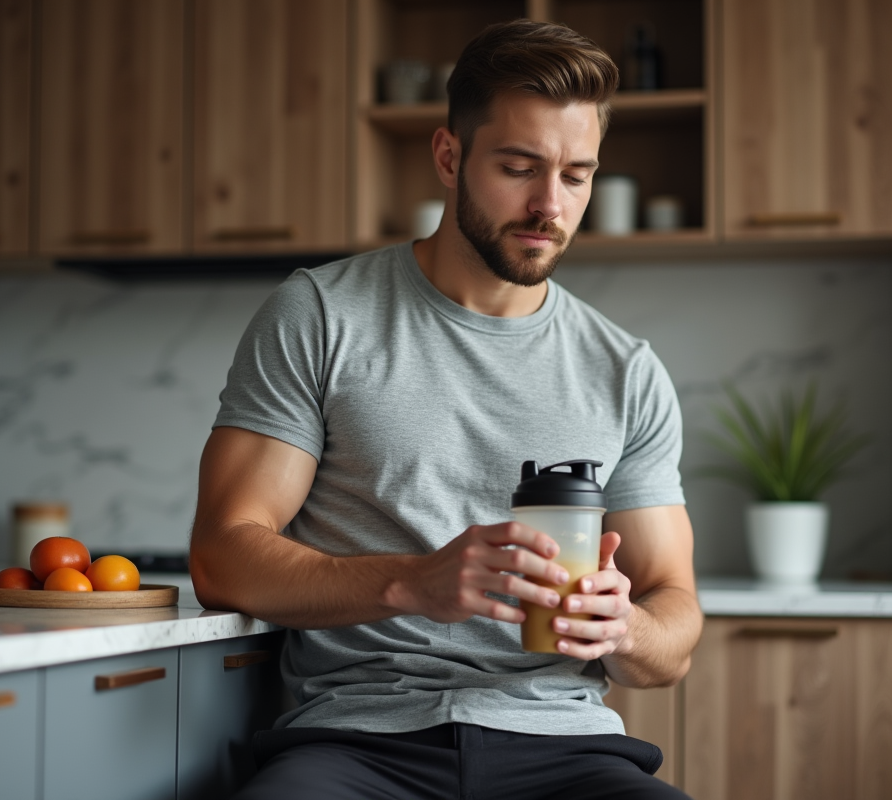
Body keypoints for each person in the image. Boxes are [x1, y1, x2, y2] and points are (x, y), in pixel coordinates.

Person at [190, 18, 702, 800]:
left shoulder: (624, 370)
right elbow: (222, 556)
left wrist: (625, 629)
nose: (548, 205)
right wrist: (412, 583)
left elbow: (675, 617)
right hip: (356, 743)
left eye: (575, 175)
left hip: (564, 750)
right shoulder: (321, 315)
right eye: (519, 167)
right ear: (448, 156)